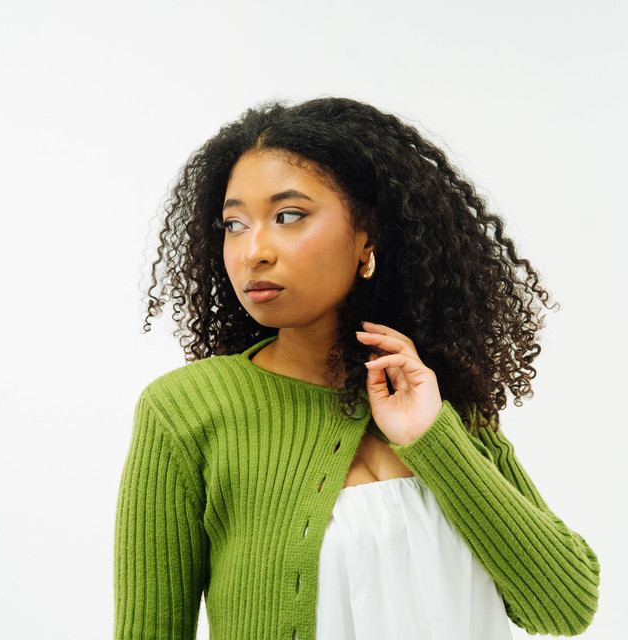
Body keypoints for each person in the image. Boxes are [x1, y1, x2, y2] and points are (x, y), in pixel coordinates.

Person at [113, 97, 601, 639]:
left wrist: (433, 439)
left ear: (366, 234)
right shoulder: (186, 412)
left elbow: (565, 607)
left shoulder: (435, 397)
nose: (253, 251)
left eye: (288, 216)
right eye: (234, 224)